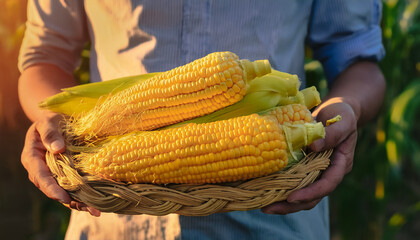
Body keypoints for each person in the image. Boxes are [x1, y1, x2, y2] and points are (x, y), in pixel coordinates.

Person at [18, 0, 386, 239]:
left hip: (271, 213)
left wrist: (347, 106)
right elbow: (45, 56)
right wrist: (49, 117)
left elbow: (358, 58)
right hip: (112, 209)